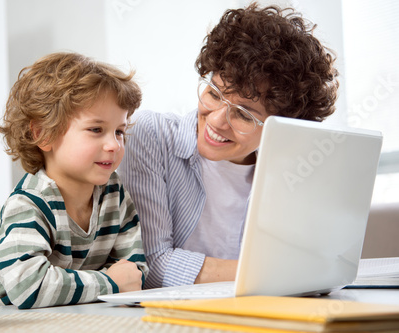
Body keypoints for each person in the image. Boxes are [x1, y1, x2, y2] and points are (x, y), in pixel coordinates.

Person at [117, 2, 339, 289]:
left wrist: (306, 272)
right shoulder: (151, 135)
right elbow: (152, 265)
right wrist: (278, 273)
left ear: (280, 126)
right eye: (213, 93)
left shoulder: (292, 167)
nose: (217, 121)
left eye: (244, 114)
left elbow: (316, 262)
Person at [0, 52, 147, 309]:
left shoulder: (114, 193)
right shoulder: (28, 204)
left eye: (119, 131)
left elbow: (134, 273)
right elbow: (29, 287)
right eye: (96, 129)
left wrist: (121, 281)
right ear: (43, 134)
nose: (114, 144)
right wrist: (109, 283)